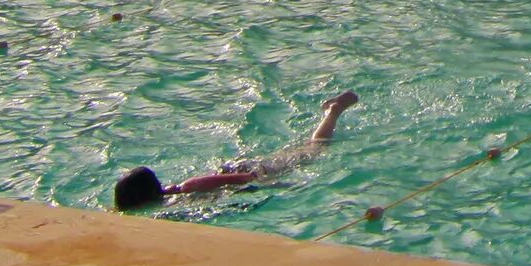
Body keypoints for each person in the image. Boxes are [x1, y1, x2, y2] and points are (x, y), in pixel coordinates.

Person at [115, 92, 359, 210]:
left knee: (315, 148)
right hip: (240, 172)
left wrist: (275, 184)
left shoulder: (189, 186)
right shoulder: (167, 199)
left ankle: (333, 111)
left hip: (255, 171)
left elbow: (244, 178)